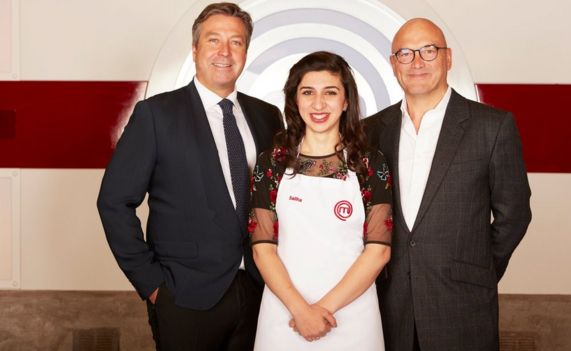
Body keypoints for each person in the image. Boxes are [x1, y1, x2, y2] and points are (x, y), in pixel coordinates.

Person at [96, 3, 283, 350]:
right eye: (214, 41)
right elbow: (113, 202)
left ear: (246, 50)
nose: (225, 52)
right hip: (184, 297)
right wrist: (152, 284)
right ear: (195, 49)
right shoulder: (156, 115)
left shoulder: (268, 117)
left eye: (236, 42)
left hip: (260, 291)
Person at [364, 18, 532, 351]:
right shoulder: (369, 131)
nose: (417, 62)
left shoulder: (491, 126)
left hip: (462, 302)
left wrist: (478, 269)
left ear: (448, 58)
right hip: (387, 304)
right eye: (406, 53)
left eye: (428, 50)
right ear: (393, 63)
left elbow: (514, 215)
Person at [249, 51, 392, 350]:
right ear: (294, 100)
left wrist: (321, 311)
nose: (318, 104)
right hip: (284, 313)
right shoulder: (272, 162)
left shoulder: (369, 163)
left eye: (330, 92)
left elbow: (378, 251)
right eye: (307, 92)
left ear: (346, 101)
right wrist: (301, 311)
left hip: (352, 315)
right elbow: (263, 249)